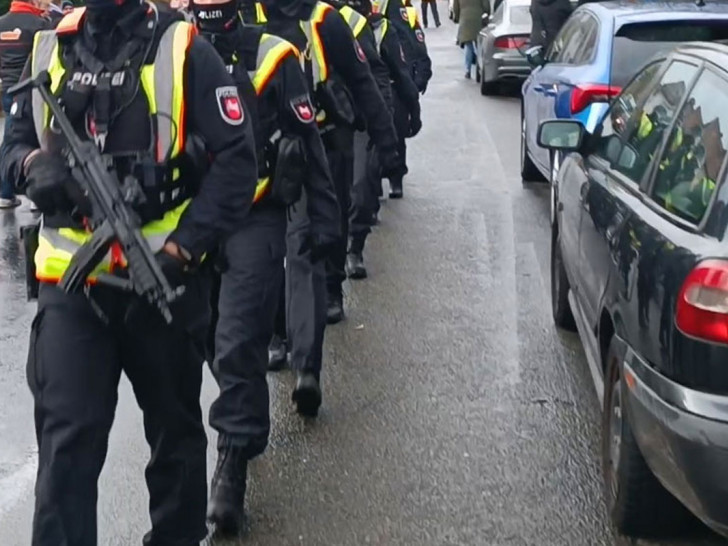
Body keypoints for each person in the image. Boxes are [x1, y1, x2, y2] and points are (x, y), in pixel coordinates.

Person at [1, 0, 259, 542]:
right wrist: (29, 166)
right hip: (73, 288)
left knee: (176, 445)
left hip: (162, 282)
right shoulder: (50, 47)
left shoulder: (184, 47)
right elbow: (13, 145)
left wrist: (184, 249)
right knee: (66, 449)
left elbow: (238, 159)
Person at [190, 0, 340, 535]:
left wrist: (326, 222)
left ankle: (229, 467)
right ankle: (246, 413)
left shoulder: (275, 54)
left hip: (256, 214)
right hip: (193, 220)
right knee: (206, 335)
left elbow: (308, 143)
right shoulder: (173, 50)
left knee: (239, 336)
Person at [262, 0, 399, 414]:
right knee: (266, 255)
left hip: (315, 150)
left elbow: (361, 81)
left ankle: (306, 368)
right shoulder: (247, 16)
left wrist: (387, 142)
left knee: (305, 251)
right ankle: (275, 336)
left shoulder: (325, 21)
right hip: (258, 158)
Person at [346, 0, 421, 277]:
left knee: (362, 185)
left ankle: (354, 247)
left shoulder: (375, 25)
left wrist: (396, 115)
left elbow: (392, 73)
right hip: (325, 119)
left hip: (364, 115)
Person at [0, 0, 48, 209]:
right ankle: (37, 196)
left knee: (11, 141)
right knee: (37, 141)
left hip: (7, 90)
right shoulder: (39, 24)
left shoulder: (1, 23)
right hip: (31, 91)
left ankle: (5, 194)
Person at [453, 0, 489, 79]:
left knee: (468, 45)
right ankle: (480, 68)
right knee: (479, 45)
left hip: (465, 19)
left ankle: (467, 70)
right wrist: (487, 13)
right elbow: (486, 6)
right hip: (478, 20)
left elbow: (456, 8)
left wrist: (459, 18)